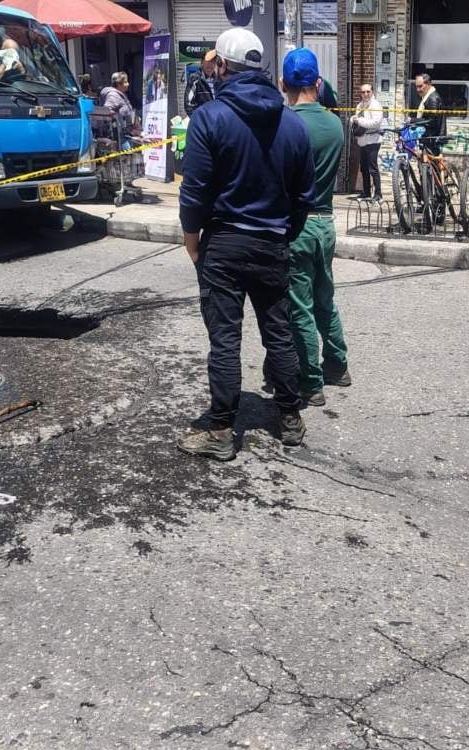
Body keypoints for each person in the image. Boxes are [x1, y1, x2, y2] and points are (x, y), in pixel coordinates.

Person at [176, 27, 316, 460]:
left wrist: (191, 238)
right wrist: (282, 233)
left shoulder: (210, 117)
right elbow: (303, 196)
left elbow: (195, 190)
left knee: (224, 339)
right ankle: (290, 417)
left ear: (222, 66)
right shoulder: (292, 124)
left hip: (224, 242)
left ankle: (221, 431)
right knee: (279, 332)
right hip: (272, 241)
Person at [281, 49, 351, 408]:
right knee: (326, 299)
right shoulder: (334, 124)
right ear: (318, 83)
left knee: (300, 307)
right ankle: (337, 364)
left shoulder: (286, 124)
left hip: (298, 224)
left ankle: (310, 382)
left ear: (283, 84)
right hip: (326, 221)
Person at [351, 83, 384, 200]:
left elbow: (375, 122)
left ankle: (378, 194)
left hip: (373, 140)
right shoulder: (360, 105)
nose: (365, 94)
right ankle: (366, 192)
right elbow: (354, 119)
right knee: (364, 168)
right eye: (363, 92)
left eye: (368, 91)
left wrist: (359, 121)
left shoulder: (376, 105)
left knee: (373, 168)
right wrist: (354, 120)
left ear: (372, 92)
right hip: (363, 140)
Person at [412, 74, 445, 153]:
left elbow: (432, 121)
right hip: (428, 137)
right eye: (416, 86)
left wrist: (413, 120)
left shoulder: (433, 98)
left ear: (429, 84)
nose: (418, 89)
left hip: (432, 139)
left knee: (429, 163)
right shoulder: (427, 97)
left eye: (420, 86)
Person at [184, 50, 217, 117]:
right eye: (208, 61)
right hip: (203, 122)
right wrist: (199, 122)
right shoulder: (195, 79)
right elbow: (189, 104)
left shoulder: (218, 80)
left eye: (213, 62)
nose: (210, 65)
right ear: (202, 62)